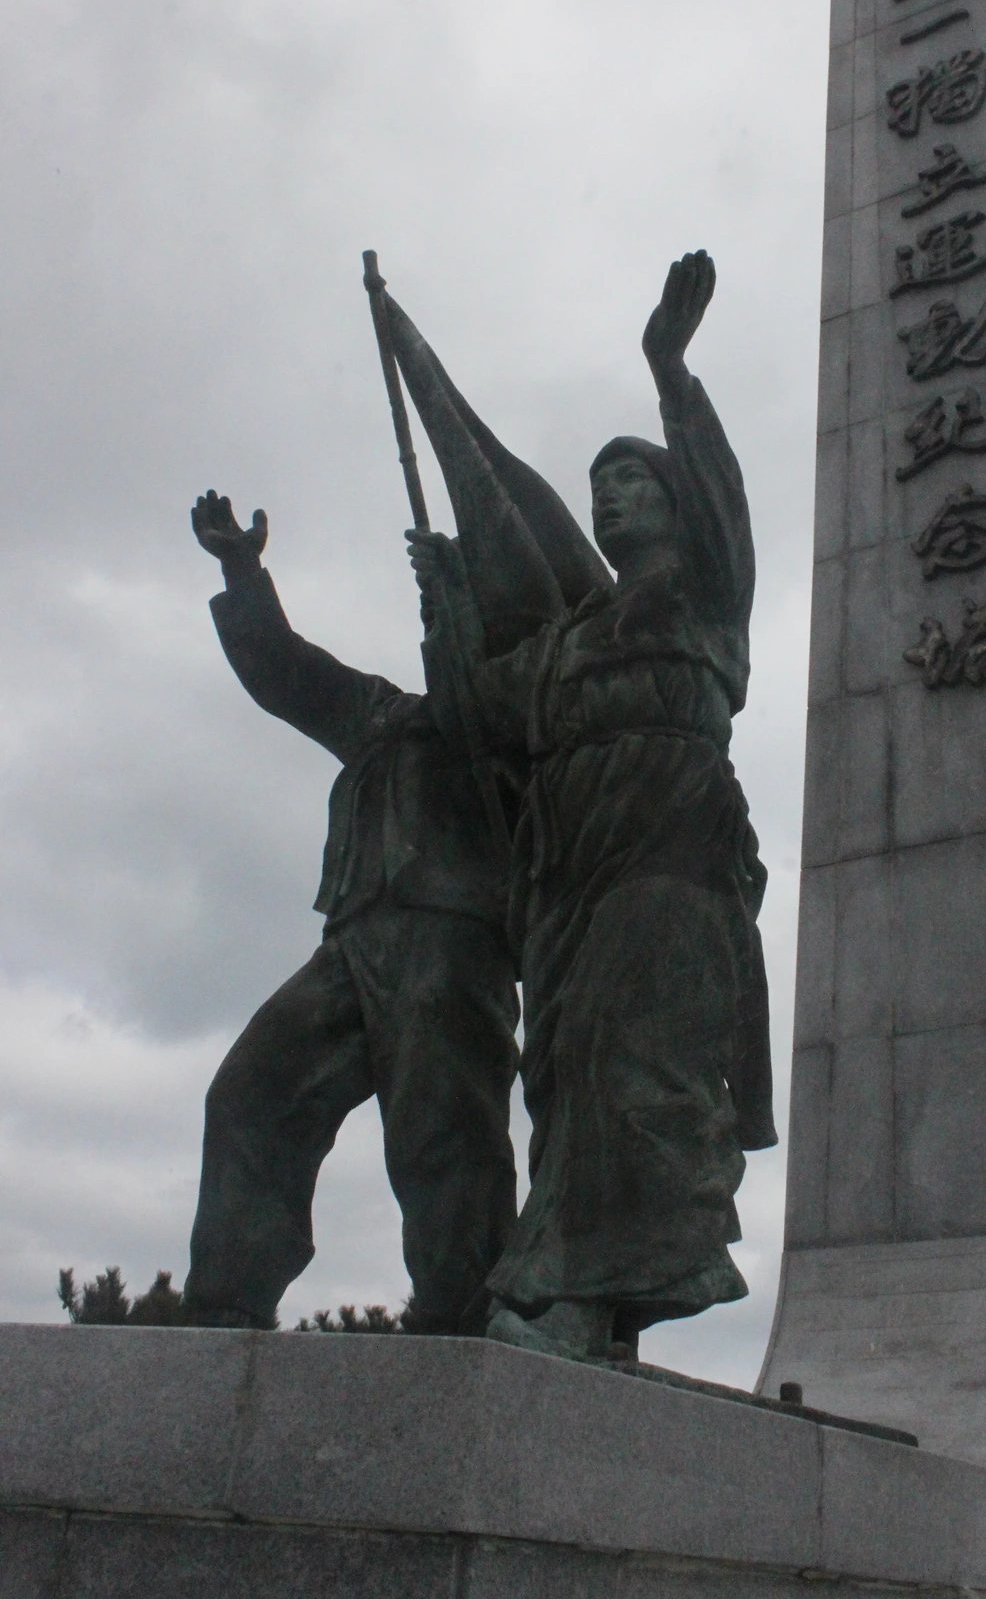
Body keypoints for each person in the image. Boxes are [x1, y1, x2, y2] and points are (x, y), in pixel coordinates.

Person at [409, 250, 776, 1362]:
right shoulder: (567, 642)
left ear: (671, 504)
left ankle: (572, 1289)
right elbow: (475, 715)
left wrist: (670, 372)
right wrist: (448, 609)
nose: (609, 495)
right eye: (598, 485)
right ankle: (598, 1300)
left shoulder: (704, 599)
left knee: (636, 1066)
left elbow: (726, 509)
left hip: (672, 866)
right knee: (567, 1074)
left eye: (631, 481)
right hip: (568, 883)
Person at [182, 493, 519, 1334]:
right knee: (253, 1090)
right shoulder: (382, 714)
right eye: (433, 610)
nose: (440, 625)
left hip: (451, 945)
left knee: (444, 1140)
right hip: (352, 942)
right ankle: (225, 1304)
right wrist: (242, 570)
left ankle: (465, 1321)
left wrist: (459, 600)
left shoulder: (515, 729)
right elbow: (284, 668)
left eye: (457, 611)